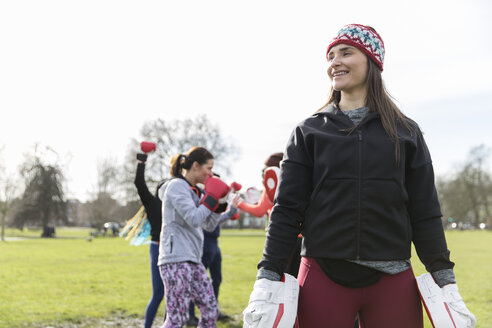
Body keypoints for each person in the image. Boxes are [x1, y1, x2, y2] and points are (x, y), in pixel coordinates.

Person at [244, 24, 476, 327]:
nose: (334, 63)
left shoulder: (407, 133)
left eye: (345, 53)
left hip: (392, 280)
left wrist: (444, 278)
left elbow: (425, 211)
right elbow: (286, 210)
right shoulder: (308, 132)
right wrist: (267, 274)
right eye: (330, 56)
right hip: (322, 275)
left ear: (372, 60)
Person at [158, 146, 240, 328]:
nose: (211, 174)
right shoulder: (176, 187)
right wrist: (211, 198)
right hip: (175, 259)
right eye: (208, 168)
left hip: (194, 260)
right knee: (176, 319)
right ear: (196, 165)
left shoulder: (197, 191)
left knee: (211, 310)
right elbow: (194, 218)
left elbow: (208, 224)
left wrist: (220, 203)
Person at [187, 177, 241, 326]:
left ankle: (214, 311)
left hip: (215, 244)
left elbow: (217, 218)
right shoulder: (204, 199)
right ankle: (190, 315)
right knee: (196, 281)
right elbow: (207, 222)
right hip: (205, 243)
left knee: (217, 279)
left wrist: (231, 208)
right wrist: (229, 212)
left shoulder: (217, 199)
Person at [134, 141, 167, 328]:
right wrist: (142, 161)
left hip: (175, 250)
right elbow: (139, 184)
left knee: (173, 293)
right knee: (158, 294)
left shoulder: (177, 204)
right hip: (157, 248)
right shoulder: (153, 203)